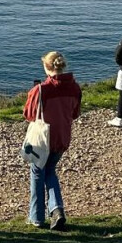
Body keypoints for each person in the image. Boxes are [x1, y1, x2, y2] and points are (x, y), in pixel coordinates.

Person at [22, 52, 82, 230]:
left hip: (43, 139)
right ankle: (56, 210)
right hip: (62, 136)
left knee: (38, 172)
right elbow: (75, 113)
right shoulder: (75, 88)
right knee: (50, 171)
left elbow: (29, 115)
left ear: (47, 67)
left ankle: (37, 217)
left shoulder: (41, 90)